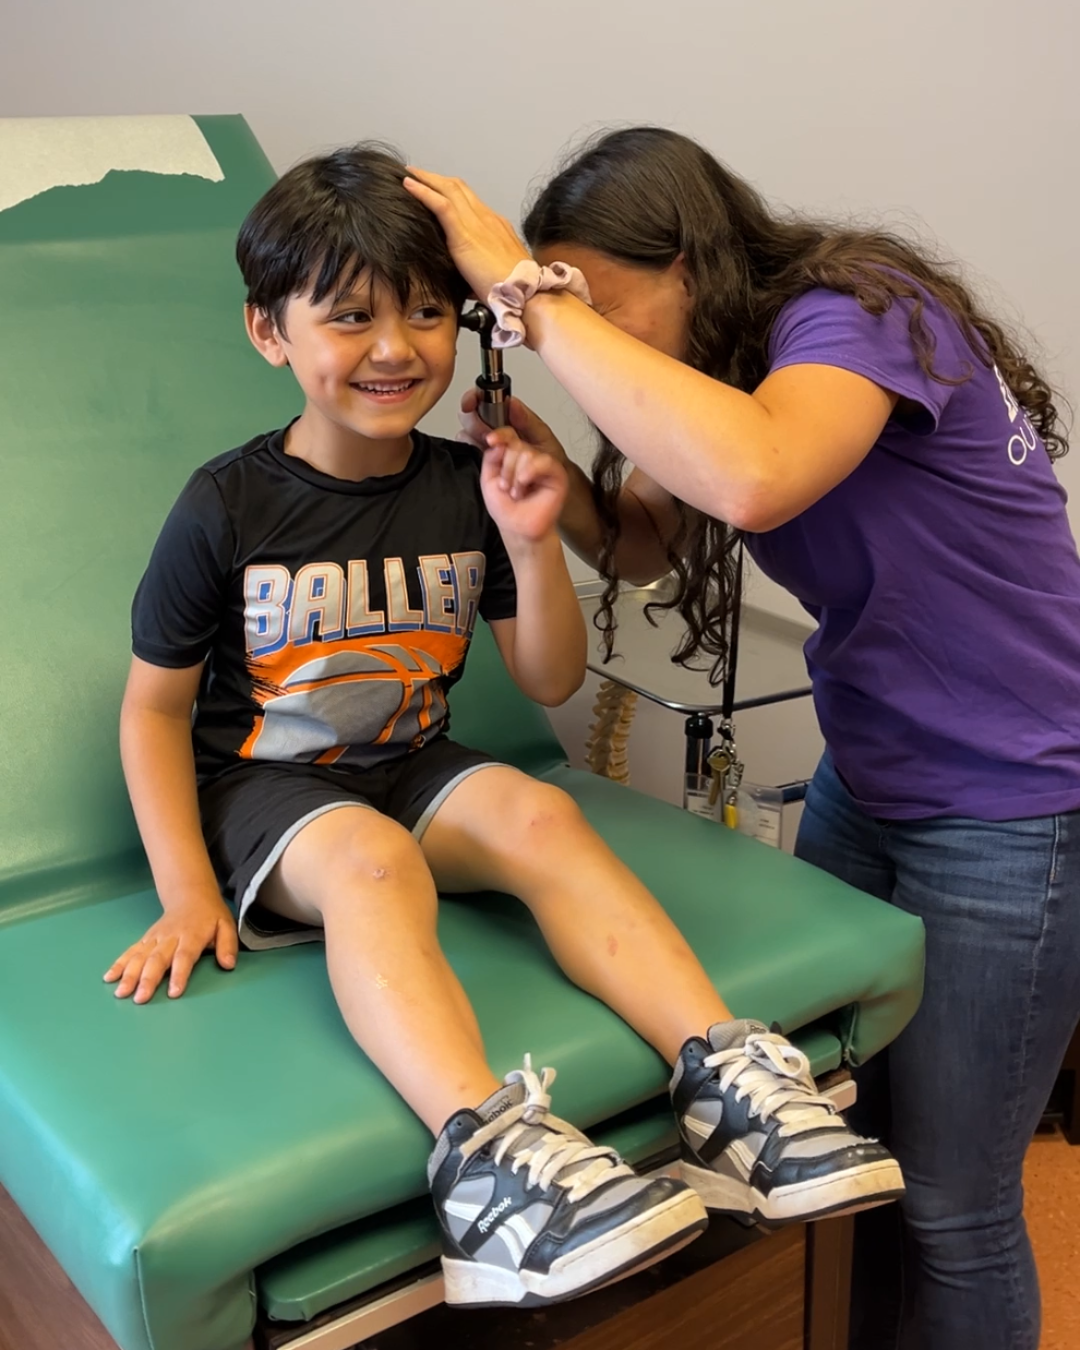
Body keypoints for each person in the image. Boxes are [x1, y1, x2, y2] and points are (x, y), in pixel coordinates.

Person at [104, 143, 901, 1311]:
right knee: (374, 862)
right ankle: (485, 1165)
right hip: (270, 793)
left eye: (428, 313)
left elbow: (545, 680)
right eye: (351, 318)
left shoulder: (461, 479)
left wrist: (531, 539)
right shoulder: (226, 503)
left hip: (412, 762)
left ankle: (727, 1074)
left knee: (539, 806)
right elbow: (154, 707)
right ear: (270, 333)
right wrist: (185, 887)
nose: (395, 349)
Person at [404, 126, 1080, 1347]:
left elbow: (756, 480)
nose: (584, 339)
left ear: (692, 263)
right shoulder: (729, 364)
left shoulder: (858, 311)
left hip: (1014, 805)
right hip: (867, 779)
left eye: (605, 311)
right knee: (843, 1149)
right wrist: (554, 486)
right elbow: (649, 545)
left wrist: (532, 301)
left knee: (953, 1203)